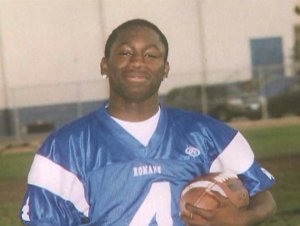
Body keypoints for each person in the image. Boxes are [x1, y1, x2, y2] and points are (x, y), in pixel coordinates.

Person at [20, 18, 276, 226]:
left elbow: (264, 199)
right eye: (125, 52)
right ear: (105, 65)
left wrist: (238, 220)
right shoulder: (64, 148)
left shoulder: (209, 133)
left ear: (166, 69)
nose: (137, 62)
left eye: (151, 55)